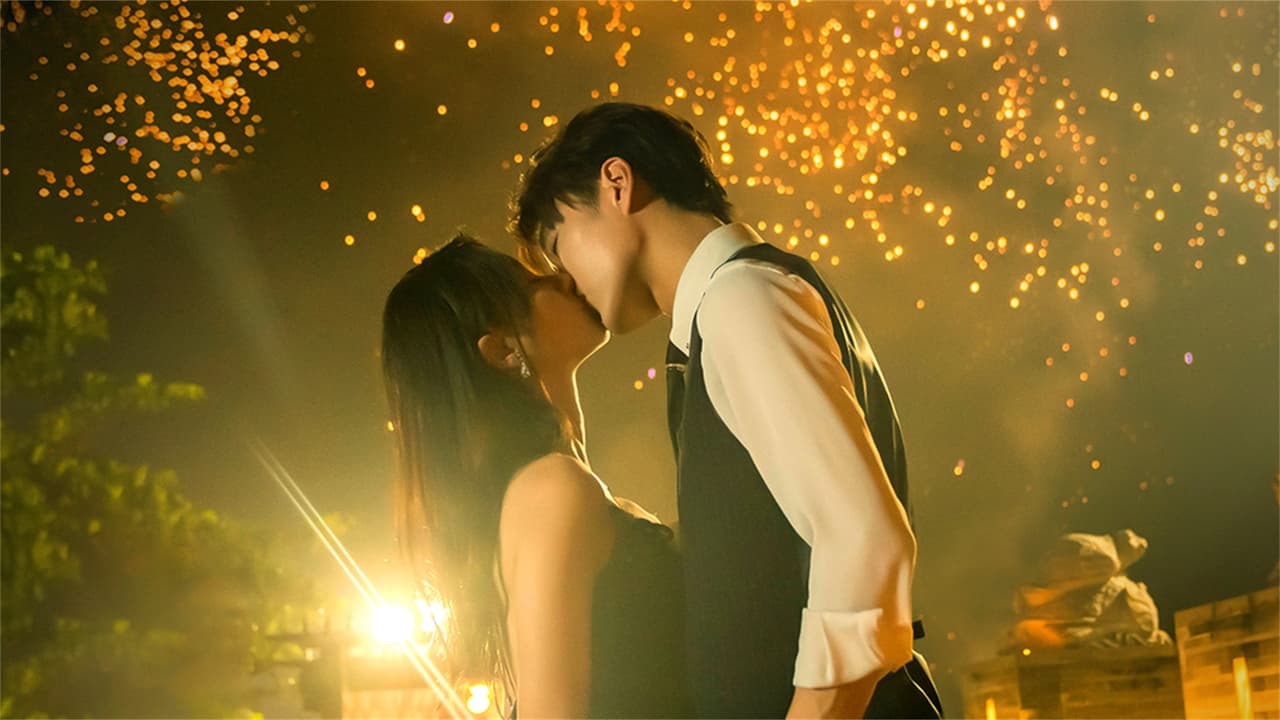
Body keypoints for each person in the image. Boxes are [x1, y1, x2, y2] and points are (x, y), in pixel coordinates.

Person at [511, 102, 943, 719]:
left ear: (617, 184)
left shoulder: (740, 298)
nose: (566, 278)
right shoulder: (734, 304)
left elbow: (865, 544)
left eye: (559, 245)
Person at [381, 235, 692, 718]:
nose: (564, 277)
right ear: (503, 350)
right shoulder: (551, 490)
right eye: (532, 284)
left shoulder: (547, 492)